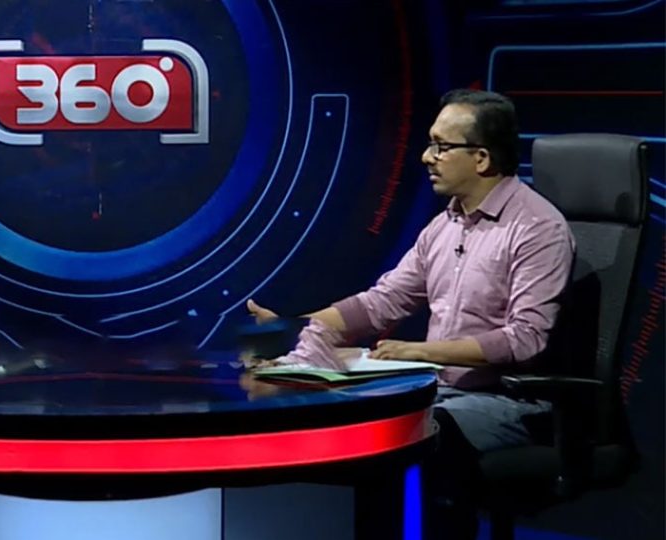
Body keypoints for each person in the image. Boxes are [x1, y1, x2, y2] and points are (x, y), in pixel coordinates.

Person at [246, 89, 574, 539]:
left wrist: (421, 352)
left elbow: (525, 339)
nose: (426, 157)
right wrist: (295, 326)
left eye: (441, 146)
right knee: (359, 427)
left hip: (507, 402)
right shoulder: (444, 226)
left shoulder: (537, 229)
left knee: (415, 437)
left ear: (481, 158)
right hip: (440, 393)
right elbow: (382, 302)